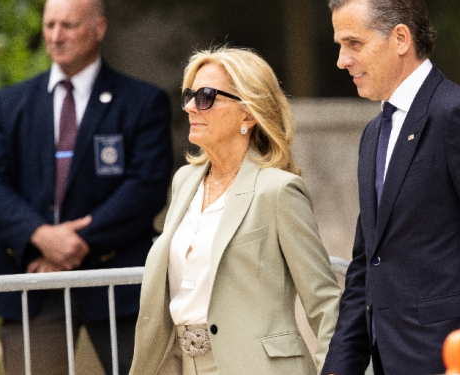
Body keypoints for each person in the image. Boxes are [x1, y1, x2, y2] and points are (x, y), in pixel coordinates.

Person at [323, 0, 460, 374]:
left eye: (354, 43)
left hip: (457, 359)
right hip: (393, 360)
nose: (342, 60)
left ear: (400, 38)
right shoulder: (374, 133)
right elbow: (367, 266)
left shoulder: (458, 115)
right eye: (339, 46)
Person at [128, 47, 341, 375]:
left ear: (248, 114)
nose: (189, 106)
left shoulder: (278, 190)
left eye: (206, 96)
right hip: (183, 365)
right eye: (190, 95)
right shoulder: (184, 181)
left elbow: (326, 307)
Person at [0, 0, 173, 373]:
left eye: (69, 25)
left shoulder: (142, 102)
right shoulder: (7, 104)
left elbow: (146, 186)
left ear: (100, 28)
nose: (56, 36)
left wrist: (72, 245)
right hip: (33, 281)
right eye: (49, 26)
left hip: (118, 283)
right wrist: (40, 236)